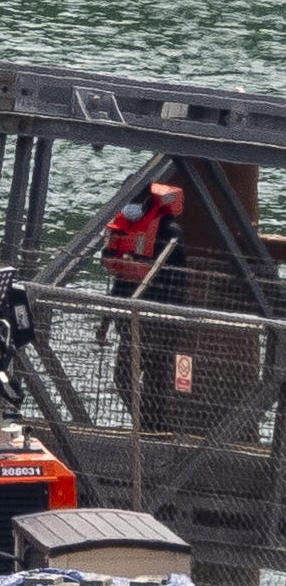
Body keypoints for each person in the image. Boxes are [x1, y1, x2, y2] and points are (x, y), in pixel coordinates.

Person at [98, 182, 189, 431]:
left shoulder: (170, 232)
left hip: (160, 318)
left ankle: (155, 429)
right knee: (123, 377)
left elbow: (180, 282)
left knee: (157, 382)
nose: (130, 209)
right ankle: (144, 424)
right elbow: (118, 278)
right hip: (129, 320)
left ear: (149, 202)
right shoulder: (123, 228)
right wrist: (106, 321)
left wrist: (174, 322)